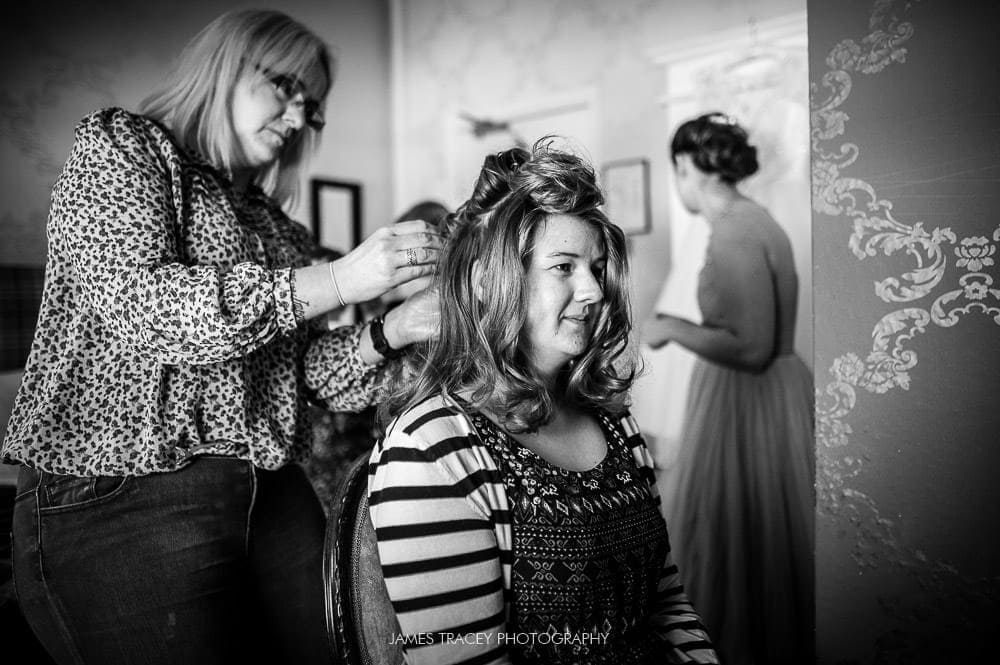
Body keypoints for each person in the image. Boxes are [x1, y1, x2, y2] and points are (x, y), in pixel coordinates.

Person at [2, 10, 441, 665]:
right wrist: (341, 279)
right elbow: (147, 308)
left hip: (271, 483)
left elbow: (302, 378)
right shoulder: (126, 149)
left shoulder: (276, 228)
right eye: (285, 88)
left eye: (311, 106)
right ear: (229, 66)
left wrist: (394, 328)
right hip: (126, 488)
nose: (298, 117)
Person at [368, 140, 720, 664]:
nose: (595, 291)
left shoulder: (614, 424)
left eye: (597, 267)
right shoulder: (433, 450)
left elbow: (665, 601)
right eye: (564, 267)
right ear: (490, 280)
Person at [642, 112, 815, 665]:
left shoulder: (737, 228)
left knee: (739, 538)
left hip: (749, 400)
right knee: (753, 539)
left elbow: (750, 347)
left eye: (678, 168)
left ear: (685, 165)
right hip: (764, 396)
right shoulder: (752, 220)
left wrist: (670, 327)